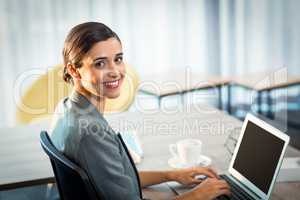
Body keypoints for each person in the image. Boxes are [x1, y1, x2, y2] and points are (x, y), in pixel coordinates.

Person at [50, 22, 230, 200]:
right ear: (74, 70)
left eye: (118, 59)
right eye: (100, 64)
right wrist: (197, 195)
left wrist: (172, 175)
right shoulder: (90, 133)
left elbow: (114, 178)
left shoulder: (66, 108)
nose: (115, 72)